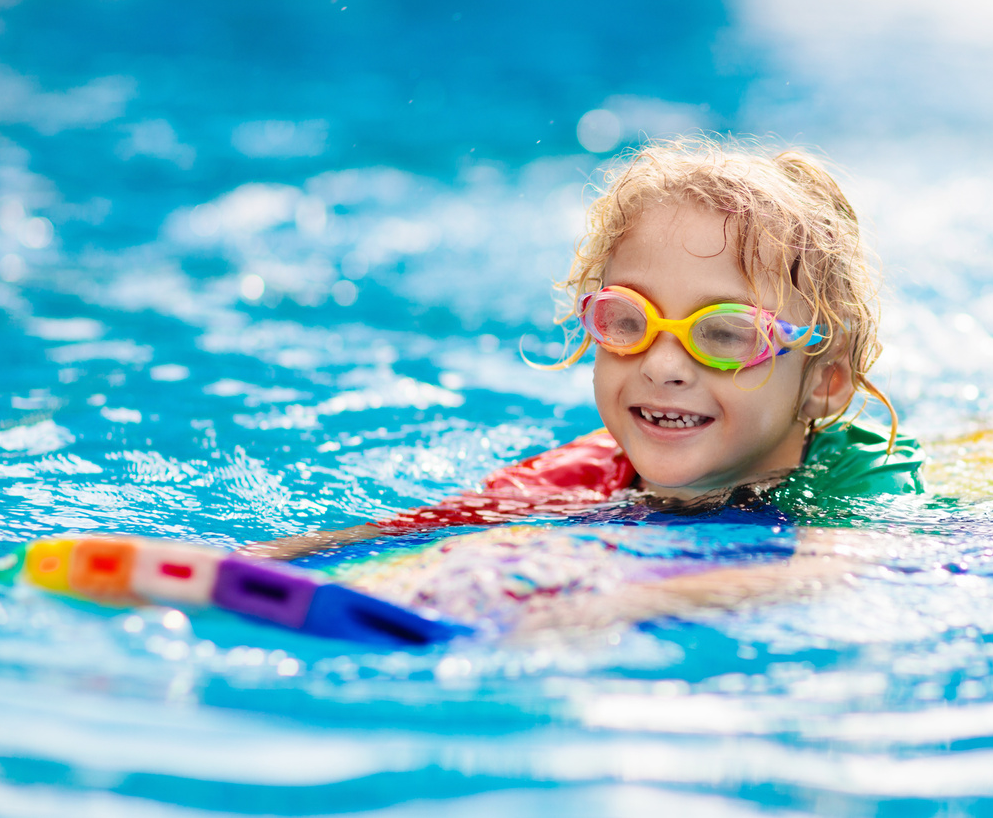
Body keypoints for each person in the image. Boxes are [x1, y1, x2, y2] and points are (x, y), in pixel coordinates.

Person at [243, 137, 924, 635]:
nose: (663, 364)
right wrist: (259, 560)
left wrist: (627, 601)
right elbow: (410, 530)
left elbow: (828, 574)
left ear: (826, 383)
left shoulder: (859, 474)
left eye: (724, 333)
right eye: (629, 321)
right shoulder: (594, 467)